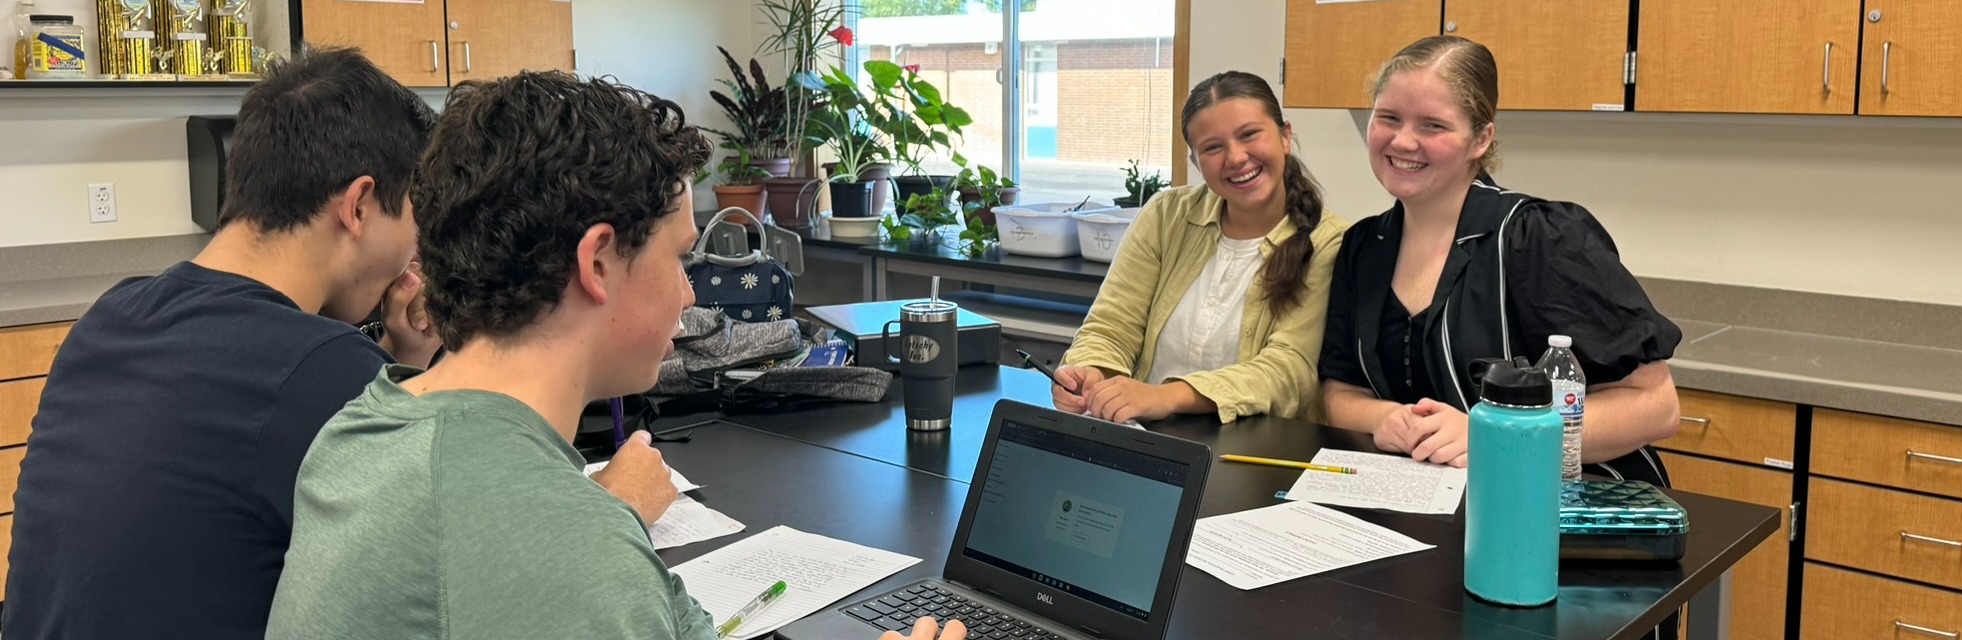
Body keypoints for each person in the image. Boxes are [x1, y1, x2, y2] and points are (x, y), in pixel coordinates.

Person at [263, 71, 965, 640]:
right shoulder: (566, 548)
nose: (690, 292)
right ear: (597, 261)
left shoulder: (358, 434)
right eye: (678, 257)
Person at [2, 48, 441, 640]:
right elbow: (457, 557)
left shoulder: (113, 316)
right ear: (359, 205)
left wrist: (400, 355)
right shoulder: (323, 370)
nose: (411, 254)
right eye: (412, 221)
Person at [1318, 35, 1683, 482]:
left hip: (1563, 507)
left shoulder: (1539, 239)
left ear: (1480, 139)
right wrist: (1386, 419)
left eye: (1432, 125)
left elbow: (1656, 406)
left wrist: (1493, 435)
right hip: (1439, 505)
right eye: (1388, 117)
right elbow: (1339, 391)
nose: (1403, 140)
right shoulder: (1363, 246)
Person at [1054, 71, 1351, 425]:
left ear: (1285, 136)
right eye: (1213, 147)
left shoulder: (1330, 241)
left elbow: (1288, 371)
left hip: (1253, 453)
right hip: (1147, 437)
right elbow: (1112, 325)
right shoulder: (1167, 215)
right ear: (1195, 162)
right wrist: (1090, 372)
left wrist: (1166, 396)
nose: (1237, 157)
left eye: (1249, 135)